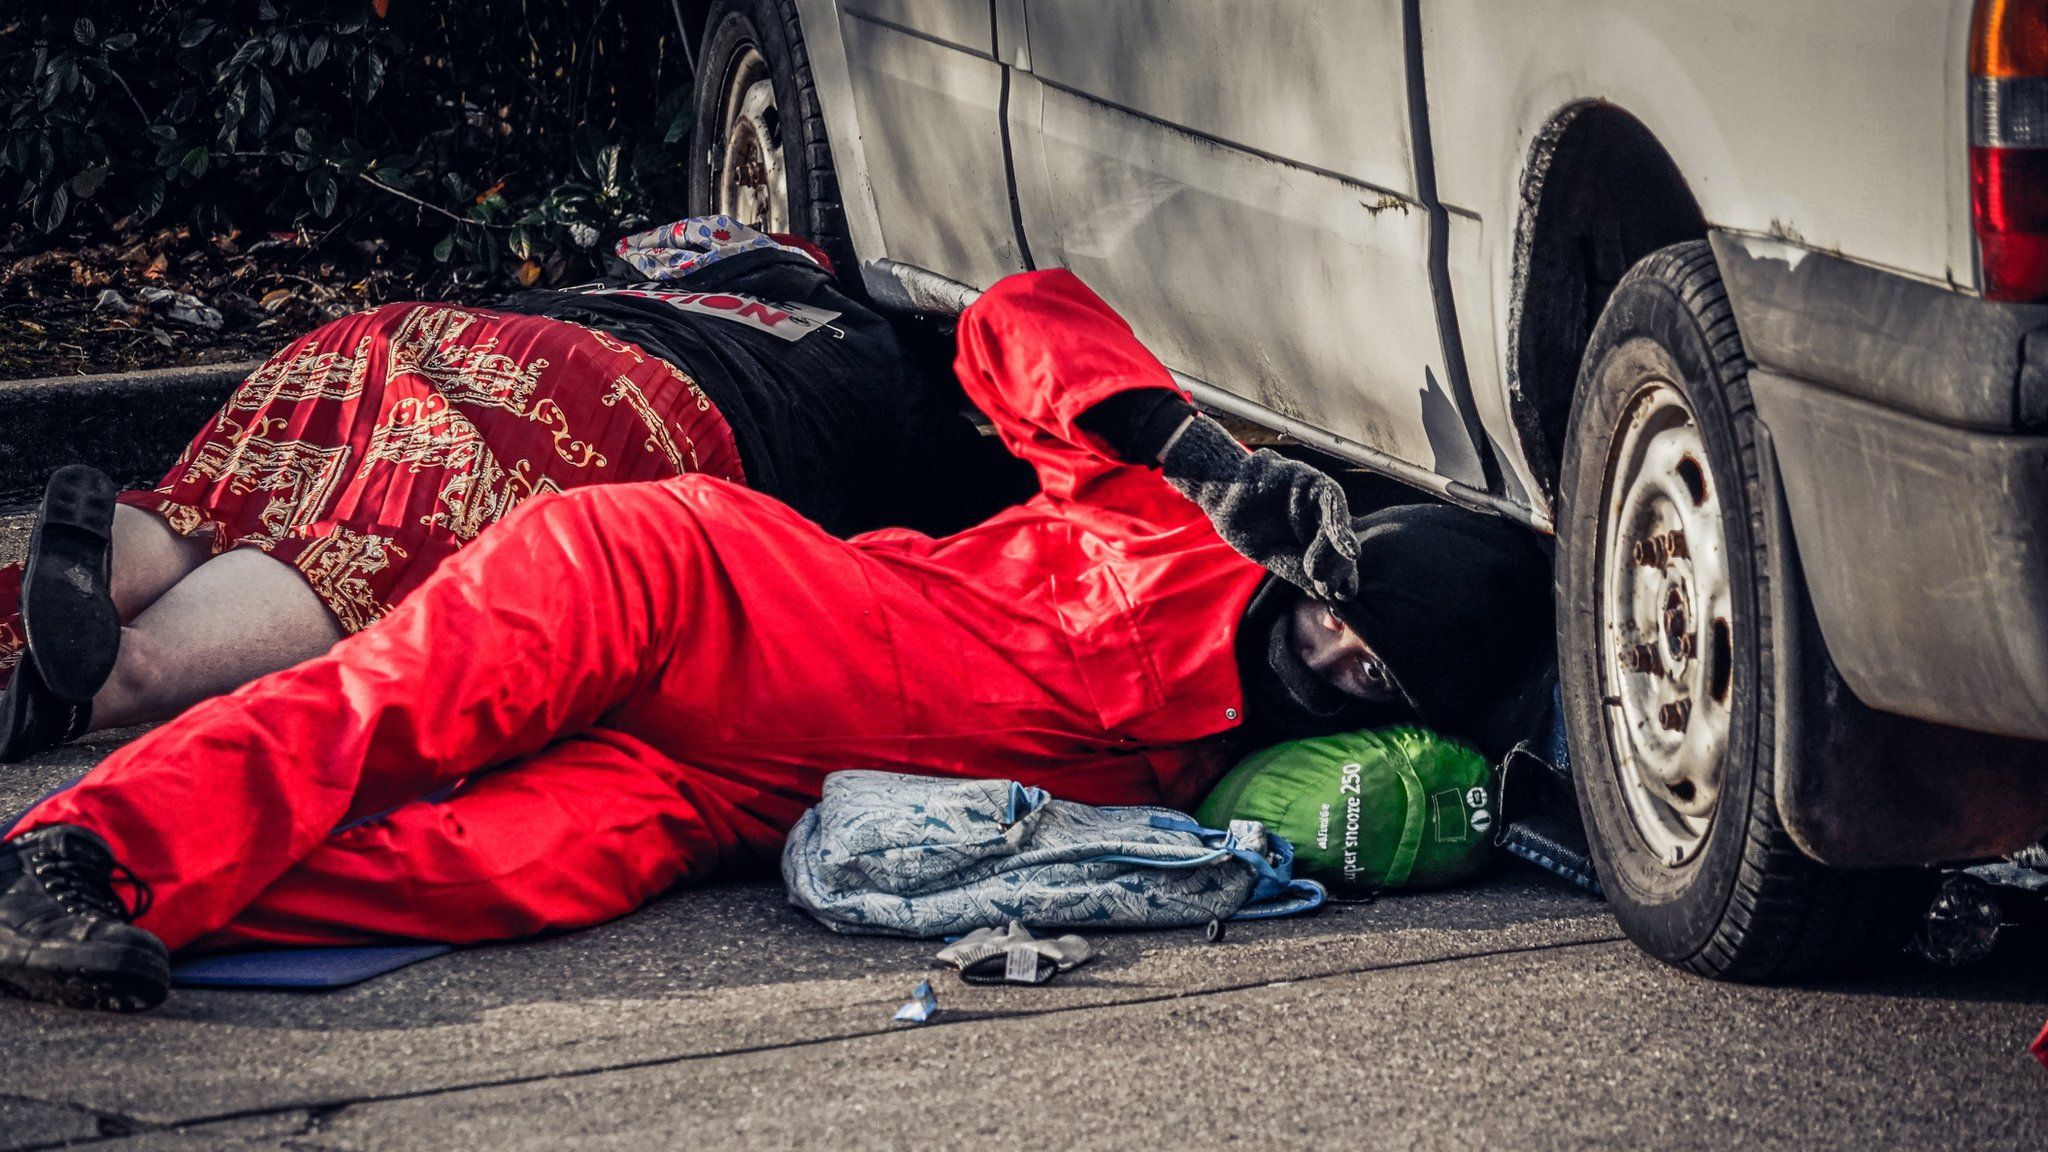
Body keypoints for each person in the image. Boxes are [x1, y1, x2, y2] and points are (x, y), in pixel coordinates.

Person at [0, 270, 1552, 1012]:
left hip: (733, 809)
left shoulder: (1241, 773)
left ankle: (113, 915)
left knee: (469, 870)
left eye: (1382, 675)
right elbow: (1013, 322)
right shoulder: (1170, 520)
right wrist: (1197, 451)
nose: (1347, 657)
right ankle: (82, 850)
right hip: (684, 590)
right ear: (1340, 563)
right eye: (1356, 616)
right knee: (378, 714)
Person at [0, 217, 983, 761]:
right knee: (377, 545)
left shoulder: (675, 279)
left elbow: (655, 238)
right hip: (614, 403)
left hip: (419, 328)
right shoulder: (894, 366)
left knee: (239, 497)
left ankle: (97, 575)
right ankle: (124, 676)